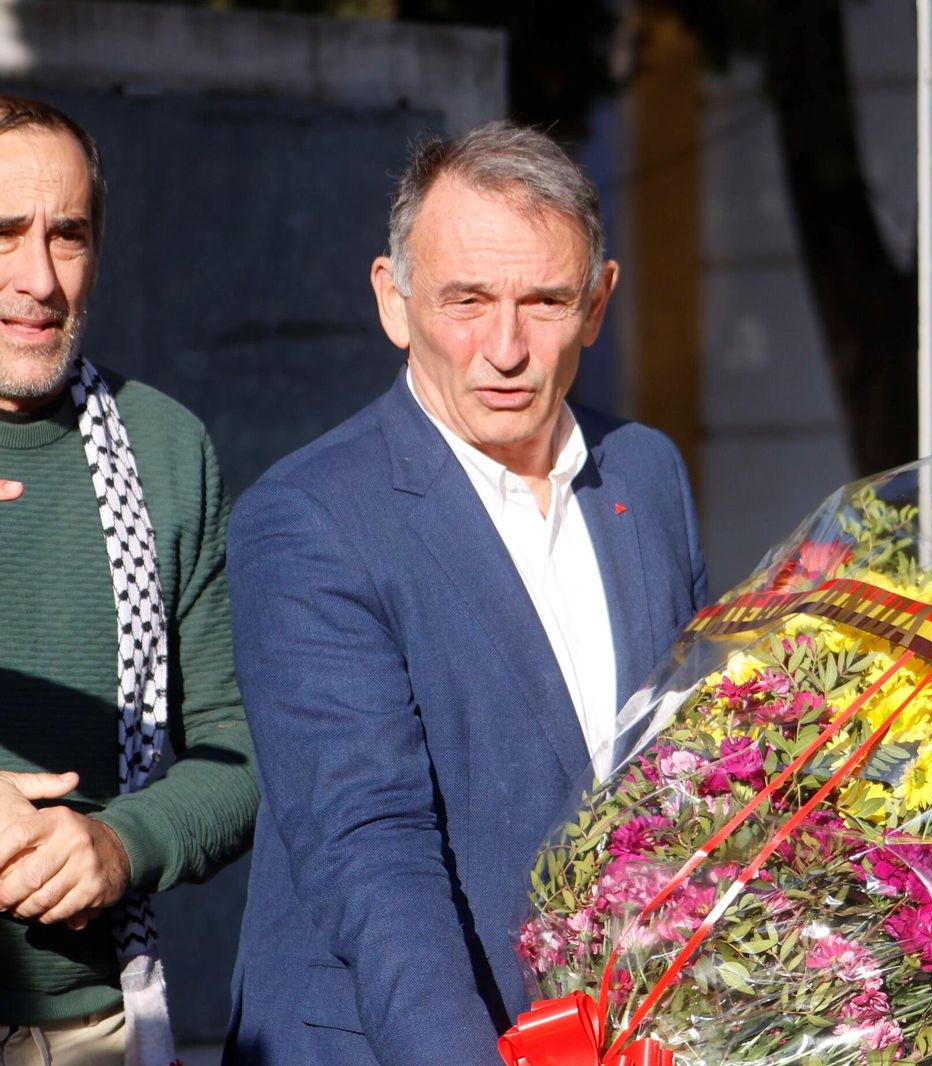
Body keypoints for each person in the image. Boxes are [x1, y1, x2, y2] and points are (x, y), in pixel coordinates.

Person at [224, 122, 707, 1065]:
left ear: (599, 302)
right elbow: (371, 849)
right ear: (393, 302)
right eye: (467, 300)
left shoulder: (644, 475)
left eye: (545, 300)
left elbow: (686, 772)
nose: (506, 346)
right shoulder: (310, 517)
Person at [0, 96, 257, 1065]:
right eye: (4, 234)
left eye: (66, 236)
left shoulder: (163, 448)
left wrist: (121, 846)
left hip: (94, 1031)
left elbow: (239, 757)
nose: (37, 278)